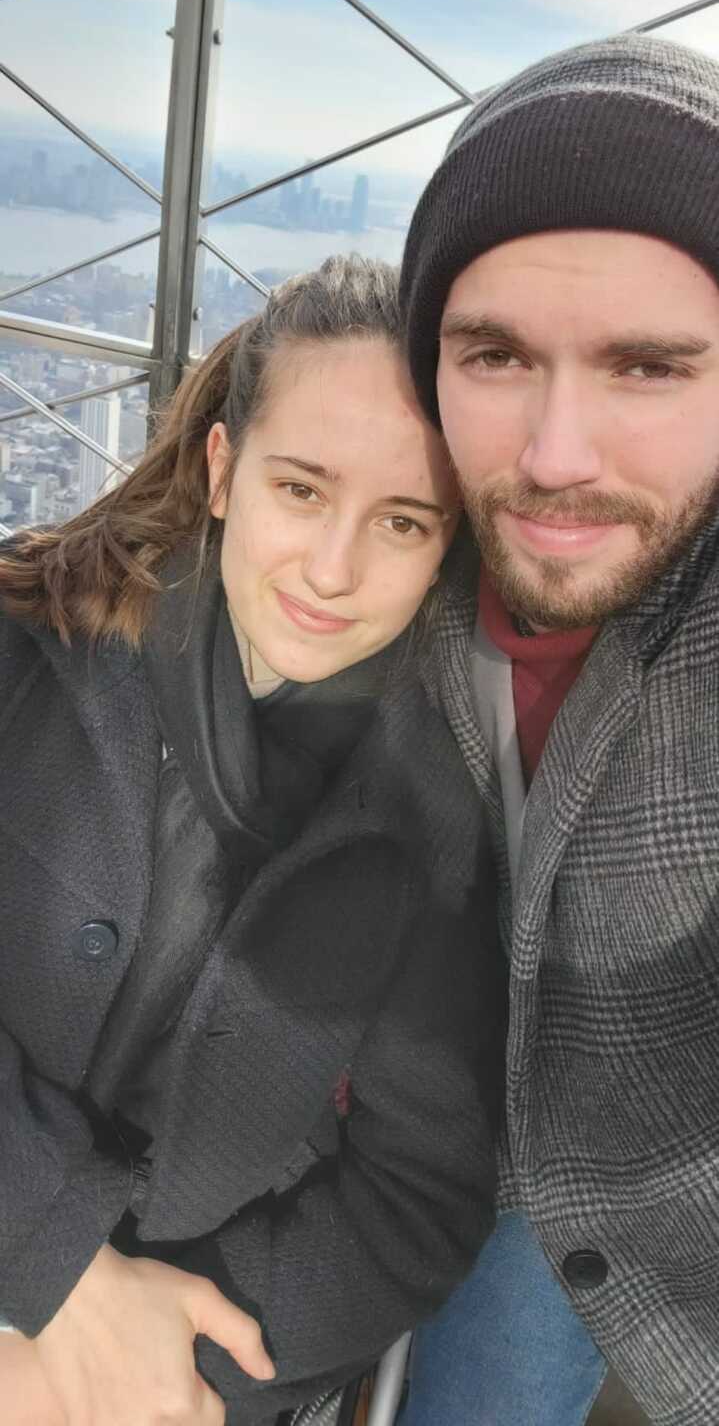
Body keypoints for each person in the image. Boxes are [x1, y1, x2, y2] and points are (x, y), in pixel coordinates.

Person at [0, 255, 505, 1426]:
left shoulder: (434, 829)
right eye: (301, 490)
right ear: (223, 471)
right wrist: (61, 1267)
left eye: (400, 519)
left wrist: (172, 1374)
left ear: (447, 546)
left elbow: (416, 1197)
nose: (333, 571)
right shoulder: (29, 649)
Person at [396, 33, 719, 1426]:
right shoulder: (357, 540)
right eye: (493, 355)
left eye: (646, 368)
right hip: (371, 1112)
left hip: (630, 1180)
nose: (551, 457)